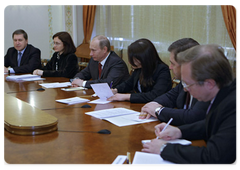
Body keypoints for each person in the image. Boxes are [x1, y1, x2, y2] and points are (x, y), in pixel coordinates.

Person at [142, 44, 237, 164]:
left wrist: (164, 148)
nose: (185, 89)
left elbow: (213, 157)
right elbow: (213, 123)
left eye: (188, 84)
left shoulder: (234, 105)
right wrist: (180, 131)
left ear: (209, 84)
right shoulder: (224, 92)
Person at [140, 38, 210, 126]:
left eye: (173, 64)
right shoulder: (185, 81)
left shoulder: (206, 84)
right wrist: (152, 104)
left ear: (186, 64)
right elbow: (170, 97)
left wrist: (158, 110)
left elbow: (193, 117)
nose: (170, 67)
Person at [107, 38, 172, 103]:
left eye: (134, 59)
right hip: (140, 106)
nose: (130, 62)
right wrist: (116, 90)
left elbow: (154, 95)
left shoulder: (162, 70)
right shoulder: (139, 68)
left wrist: (127, 96)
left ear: (145, 58)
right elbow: (128, 84)